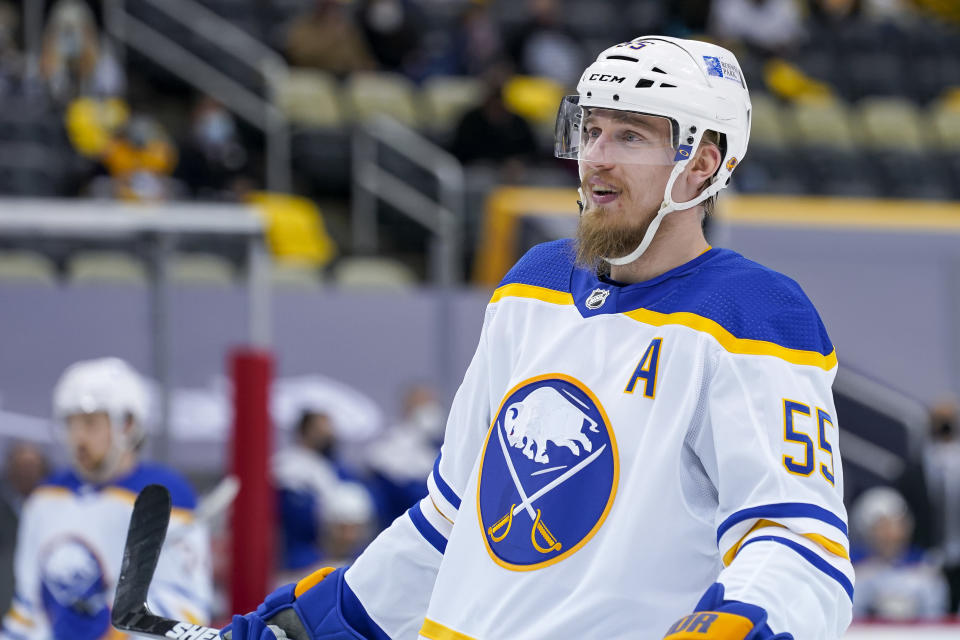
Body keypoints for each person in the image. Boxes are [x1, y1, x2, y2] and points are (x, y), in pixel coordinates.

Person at [224, 36, 852, 640]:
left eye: (630, 135)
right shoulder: (535, 285)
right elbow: (451, 522)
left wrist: (735, 625)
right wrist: (307, 627)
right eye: (592, 129)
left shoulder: (756, 316)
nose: (596, 157)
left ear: (701, 166)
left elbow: (800, 545)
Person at [0, 358, 212, 640]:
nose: (79, 438)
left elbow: (187, 611)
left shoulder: (163, 496)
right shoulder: (45, 499)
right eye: (71, 424)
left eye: (90, 424)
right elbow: (27, 609)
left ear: (126, 424)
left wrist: (112, 631)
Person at [274, 410, 374, 574]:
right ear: (304, 432)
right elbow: (295, 516)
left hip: (344, 548)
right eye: (321, 431)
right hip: (303, 549)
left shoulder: (335, 468)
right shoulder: (286, 468)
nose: (328, 436)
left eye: (330, 431)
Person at [850, 486, 949, 620]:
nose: (891, 534)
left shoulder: (926, 565)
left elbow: (936, 613)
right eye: (882, 527)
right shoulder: (854, 568)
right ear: (868, 531)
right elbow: (852, 614)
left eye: (896, 525)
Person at [366, 385, 444, 528]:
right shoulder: (388, 449)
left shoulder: (446, 445)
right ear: (407, 409)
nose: (430, 410)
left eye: (432, 403)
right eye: (422, 404)